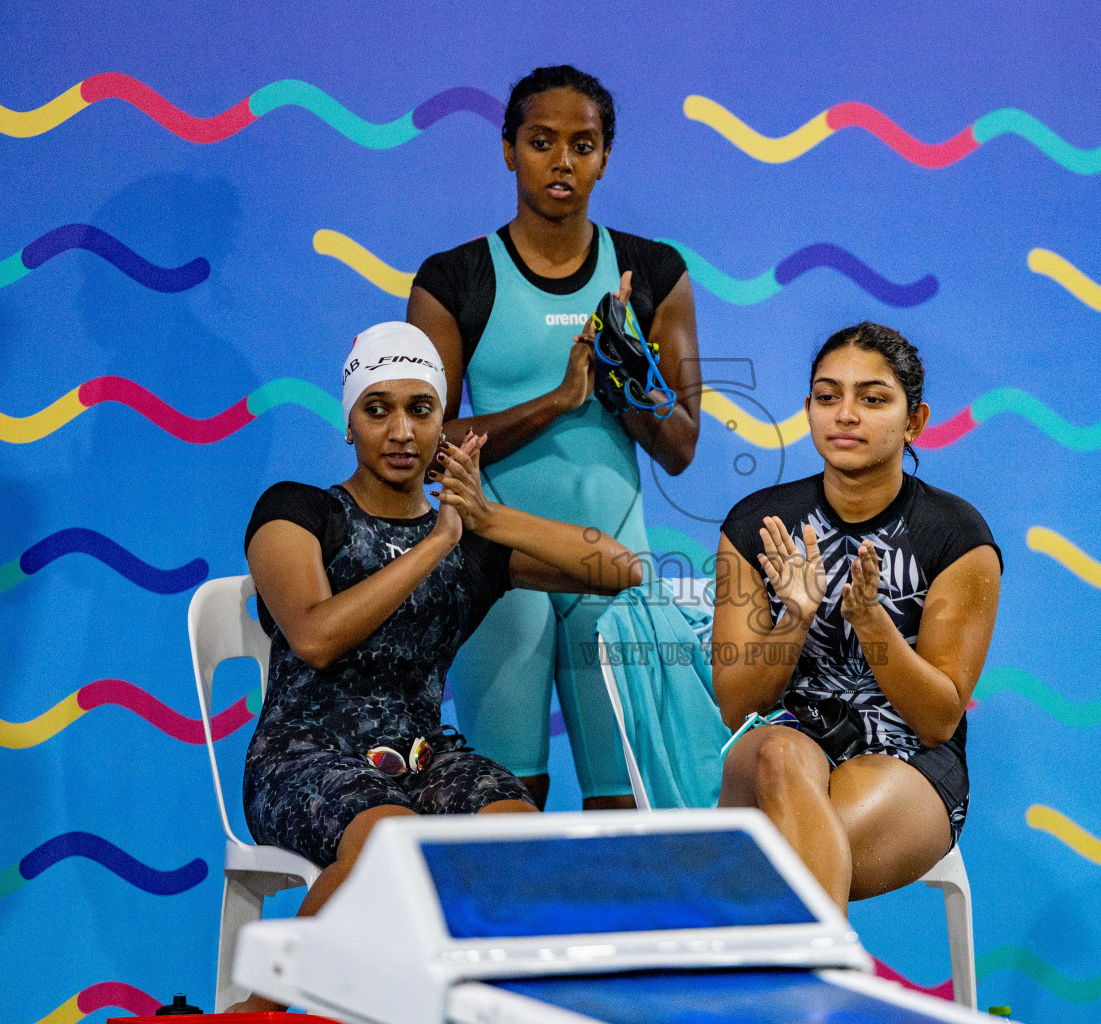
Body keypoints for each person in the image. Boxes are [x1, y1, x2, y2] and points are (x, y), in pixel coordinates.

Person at [228, 322, 642, 1010]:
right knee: (394, 839)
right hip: (300, 756)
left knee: (521, 843)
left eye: (420, 410)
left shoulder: (470, 539)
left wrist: (485, 518)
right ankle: (264, 1011)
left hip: (421, 757)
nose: (400, 431)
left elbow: (619, 569)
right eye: (377, 408)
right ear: (349, 423)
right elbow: (315, 637)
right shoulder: (296, 510)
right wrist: (437, 540)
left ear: (443, 425)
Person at [407, 65, 700, 810]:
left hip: (614, 568)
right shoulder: (454, 277)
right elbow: (423, 449)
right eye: (541, 142)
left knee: (626, 803)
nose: (562, 161)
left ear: (605, 157)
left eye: (583, 144)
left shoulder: (655, 272)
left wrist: (622, 366)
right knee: (504, 804)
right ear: (508, 150)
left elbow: (680, 446)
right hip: (497, 569)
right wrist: (557, 400)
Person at [713, 322, 1002, 911]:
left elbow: (937, 719)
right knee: (779, 752)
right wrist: (794, 615)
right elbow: (738, 707)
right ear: (808, 409)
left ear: (915, 421)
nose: (846, 414)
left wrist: (872, 624)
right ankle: (834, 988)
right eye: (828, 396)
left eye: (872, 399)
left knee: (796, 856)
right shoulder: (757, 525)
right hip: (779, 743)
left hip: (905, 755)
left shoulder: (956, 537)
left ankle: (803, 986)